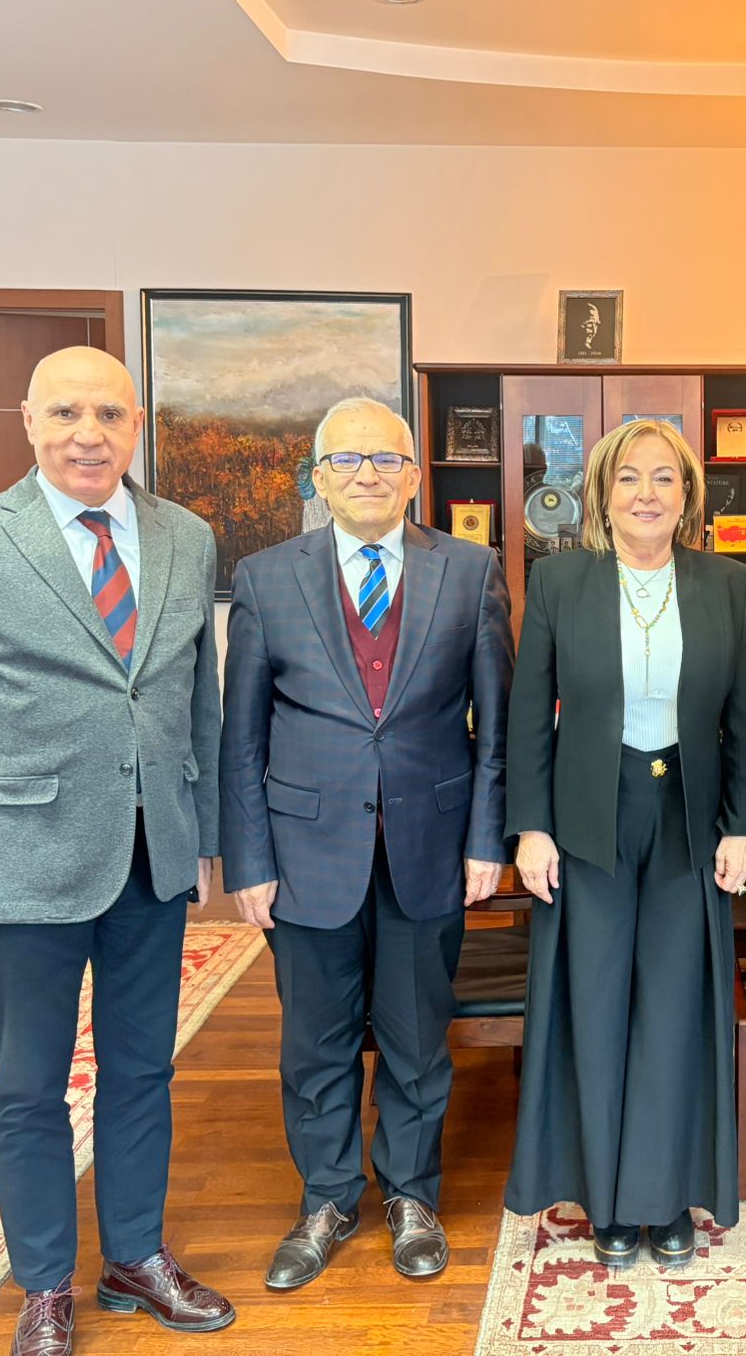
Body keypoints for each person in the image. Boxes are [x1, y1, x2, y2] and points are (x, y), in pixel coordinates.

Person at [0, 347, 231, 1356]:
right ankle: (44, 1284)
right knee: (31, 1086)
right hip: (25, 861)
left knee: (143, 1070)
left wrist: (206, 835)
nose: (89, 435)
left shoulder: (186, 536)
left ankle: (135, 1255)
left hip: (152, 855)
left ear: (136, 427)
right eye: (67, 414)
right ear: (29, 423)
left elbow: (197, 704)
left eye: (110, 415)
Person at [220, 397, 513, 1289]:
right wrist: (249, 860)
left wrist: (486, 838)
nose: (367, 476)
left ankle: (412, 1195)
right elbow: (242, 738)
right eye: (346, 461)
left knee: (418, 1037)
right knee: (317, 1041)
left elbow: (495, 725)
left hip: (431, 845)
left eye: (386, 459)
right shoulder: (266, 579)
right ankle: (327, 1198)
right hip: (305, 853)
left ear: (415, 475)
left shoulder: (470, 570)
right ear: (318, 478)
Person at [504, 418, 746, 1268]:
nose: (646, 494)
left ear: (687, 495)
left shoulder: (729, 583)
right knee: (593, 1006)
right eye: (628, 478)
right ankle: (608, 1203)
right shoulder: (560, 581)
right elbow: (527, 712)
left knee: (676, 1008)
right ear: (602, 494)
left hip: (690, 818)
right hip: (587, 816)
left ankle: (665, 1198)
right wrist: (531, 826)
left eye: (663, 478)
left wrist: (742, 826)